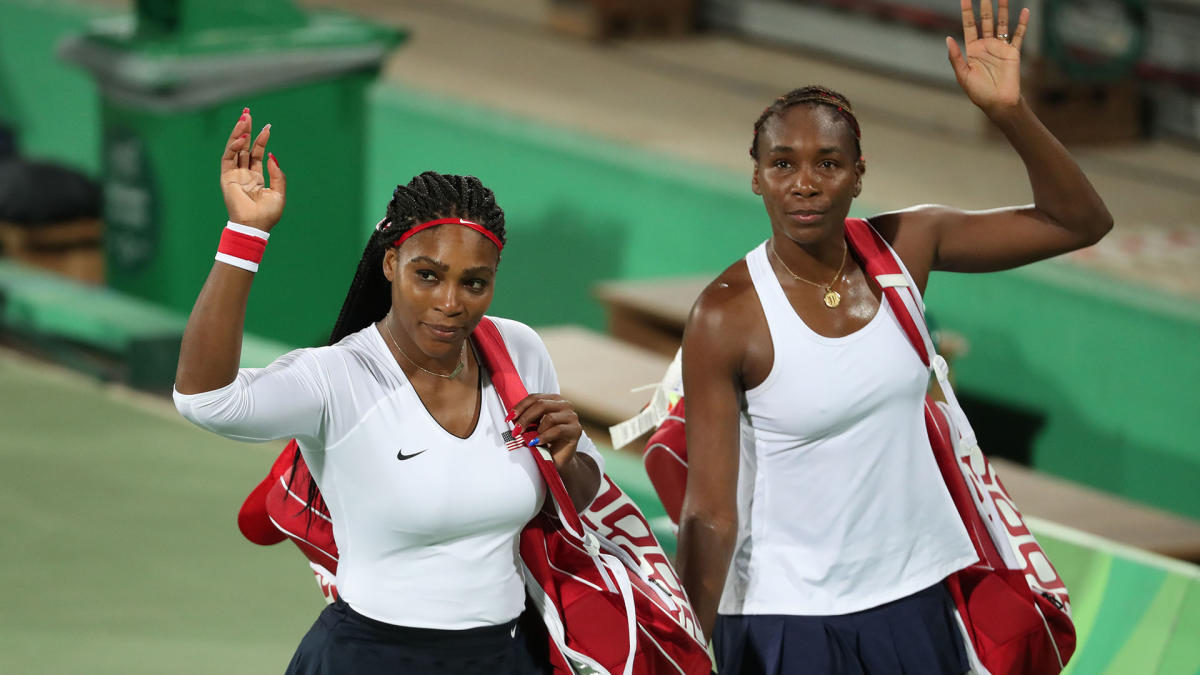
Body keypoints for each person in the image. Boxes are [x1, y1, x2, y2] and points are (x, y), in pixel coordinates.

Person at [674, 1, 1112, 672]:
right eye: (783, 164)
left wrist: (1008, 114)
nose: (805, 185)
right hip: (784, 618)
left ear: (859, 172)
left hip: (914, 601)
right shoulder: (728, 314)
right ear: (756, 174)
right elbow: (710, 514)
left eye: (828, 163)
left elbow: (1078, 221)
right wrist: (682, 651)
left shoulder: (907, 247)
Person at [173, 108, 603, 674]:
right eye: (428, 275)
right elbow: (206, 400)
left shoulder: (516, 350)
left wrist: (568, 458)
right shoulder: (338, 377)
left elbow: (580, 491)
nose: (450, 302)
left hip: (505, 656)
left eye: (474, 283)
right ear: (391, 263)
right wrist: (245, 234)